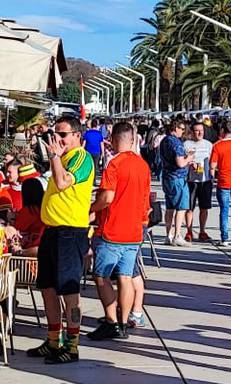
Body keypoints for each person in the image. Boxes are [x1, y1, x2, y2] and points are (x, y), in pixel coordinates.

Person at [33, 115, 96, 363]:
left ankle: (72, 344)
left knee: (69, 290)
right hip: (53, 230)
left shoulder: (81, 158)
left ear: (77, 135)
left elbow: (61, 183)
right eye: (55, 134)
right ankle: (52, 339)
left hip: (70, 231)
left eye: (63, 134)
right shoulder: (63, 158)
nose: (57, 139)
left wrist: (55, 157)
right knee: (47, 287)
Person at [91, 121, 151, 339]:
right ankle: (124, 322)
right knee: (125, 277)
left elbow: (107, 197)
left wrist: (91, 209)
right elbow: (146, 199)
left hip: (113, 230)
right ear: (133, 140)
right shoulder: (143, 166)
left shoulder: (114, 164)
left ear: (114, 140)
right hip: (134, 232)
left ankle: (111, 321)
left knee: (101, 276)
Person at [159, 117, 191, 243]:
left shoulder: (165, 141)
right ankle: (177, 235)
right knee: (181, 207)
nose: (183, 132)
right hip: (178, 178)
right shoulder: (176, 143)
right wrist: (189, 158)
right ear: (176, 128)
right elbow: (180, 163)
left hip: (167, 177)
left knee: (170, 207)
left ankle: (169, 234)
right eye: (182, 129)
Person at [183, 118, 215, 242]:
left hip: (205, 180)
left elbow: (213, 161)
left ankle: (202, 231)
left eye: (201, 130)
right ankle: (189, 232)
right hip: (191, 181)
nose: (199, 133)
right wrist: (189, 164)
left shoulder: (208, 144)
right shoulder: (187, 144)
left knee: (204, 208)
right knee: (189, 208)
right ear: (192, 132)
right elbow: (182, 161)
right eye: (197, 131)